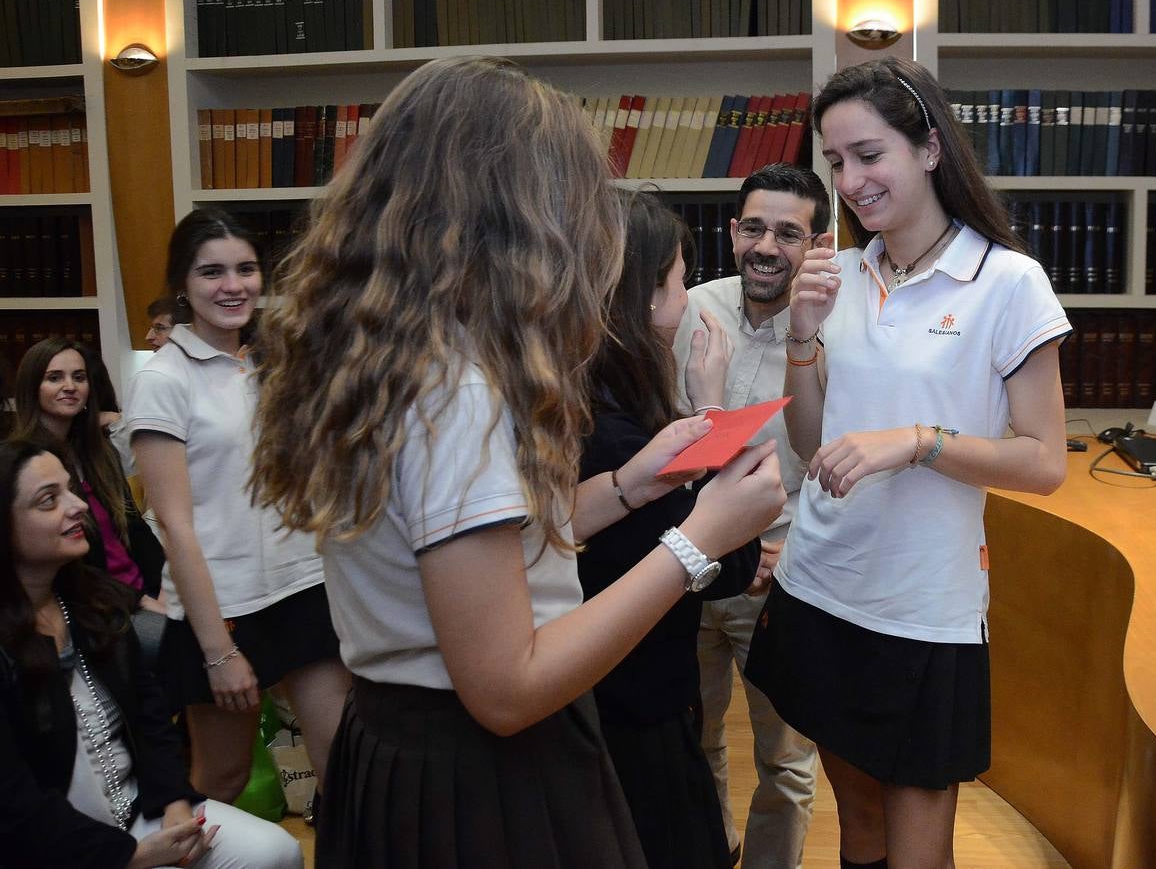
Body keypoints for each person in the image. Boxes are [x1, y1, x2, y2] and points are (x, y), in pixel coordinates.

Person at [249, 56, 786, 868]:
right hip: (477, 777)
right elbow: (507, 686)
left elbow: (471, 561)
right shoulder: (456, 392)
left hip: (400, 742)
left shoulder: (396, 360)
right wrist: (700, 540)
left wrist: (631, 486)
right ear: (518, 217)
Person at [745, 56, 1071, 869]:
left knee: (921, 849)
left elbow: (1043, 462)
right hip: (822, 584)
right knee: (859, 832)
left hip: (924, 608)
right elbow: (815, 445)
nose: (850, 181)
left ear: (929, 148)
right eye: (836, 162)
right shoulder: (844, 274)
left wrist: (916, 442)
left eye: (869, 154)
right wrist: (800, 334)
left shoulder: (1008, 282)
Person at [124, 208, 351, 805]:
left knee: (346, 774)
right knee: (221, 782)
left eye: (246, 269)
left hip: (302, 588)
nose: (233, 285)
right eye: (212, 272)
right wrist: (218, 652)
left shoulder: (266, 365)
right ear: (183, 284)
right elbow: (174, 525)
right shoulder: (163, 379)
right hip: (223, 610)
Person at [0, 439, 303, 869]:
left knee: (277, 851)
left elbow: (151, 720)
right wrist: (132, 856)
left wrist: (175, 809)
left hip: (140, 811)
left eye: (71, 490)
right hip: (56, 846)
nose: (77, 506)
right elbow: (14, 804)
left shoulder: (95, 606)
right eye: (49, 500)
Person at [579, 189, 760, 869]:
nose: (686, 300)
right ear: (644, 295)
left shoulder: (581, 395)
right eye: (680, 281)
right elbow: (726, 561)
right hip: (633, 707)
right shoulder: (616, 427)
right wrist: (712, 407)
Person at [671, 162, 830, 869]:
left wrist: (781, 549)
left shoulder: (837, 332)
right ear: (733, 233)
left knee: (787, 760)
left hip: (781, 576)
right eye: (756, 228)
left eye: (789, 233)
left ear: (815, 244)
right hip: (685, 570)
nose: (768, 246)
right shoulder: (687, 312)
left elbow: (831, 459)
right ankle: (711, 852)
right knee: (693, 740)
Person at [10, 339, 164, 610]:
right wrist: (140, 601)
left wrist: (165, 586)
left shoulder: (100, 452)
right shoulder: (24, 464)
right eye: (54, 377)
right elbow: (63, 566)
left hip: (145, 591)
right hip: (95, 606)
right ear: (32, 388)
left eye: (79, 377)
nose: (70, 386)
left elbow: (135, 529)